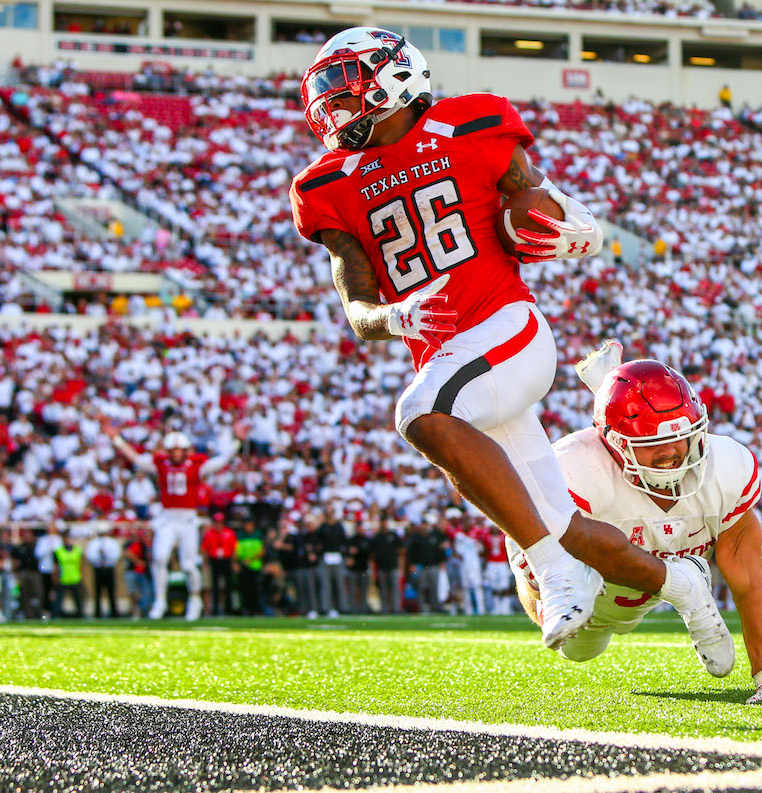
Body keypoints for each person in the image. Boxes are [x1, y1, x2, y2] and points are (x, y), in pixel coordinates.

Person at [289, 28, 725, 652]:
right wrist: (393, 316)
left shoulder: (472, 125)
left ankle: (550, 572)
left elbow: (537, 198)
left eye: (347, 92)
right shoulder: (325, 185)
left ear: (396, 80)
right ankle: (682, 586)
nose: (334, 111)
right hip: (448, 355)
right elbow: (357, 308)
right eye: (328, 98)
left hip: (506, 329)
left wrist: (584, 226)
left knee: (421, 413)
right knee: (557, 526)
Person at [511, 352, 762, 703]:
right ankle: (680, 583)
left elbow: (749, 575)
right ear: (616, 444)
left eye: (682, 436)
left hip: (646, 579)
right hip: (596, 584)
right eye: (651, 444)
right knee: (573, 641)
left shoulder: (725, 467)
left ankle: (681, 584)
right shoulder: (575, 467)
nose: (672, 452)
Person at [104, 421, 246, 620]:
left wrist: (237, 441)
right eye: (173, 450)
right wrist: (116, 439)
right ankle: (160, 601)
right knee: (160, 557)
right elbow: (135, 458)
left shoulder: (196, 466)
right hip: (167, 518)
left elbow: (221, 461)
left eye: (180, 450)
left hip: (187, 518)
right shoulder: (161, 464)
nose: (176, 454)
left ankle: (195, 600)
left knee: (188, 565)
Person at [314, 507, 350, 617]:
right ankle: (326, 607)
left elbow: (345, 541)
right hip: (326, 556)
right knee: (326, 584)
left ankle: (342, 607)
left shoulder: (339, 527)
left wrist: (347, 555)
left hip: (338, 556)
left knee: (339, 583)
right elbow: (318, 542)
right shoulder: (322, 527)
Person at [201, 513, 237, 616]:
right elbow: (204, 550)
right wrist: (206, 563)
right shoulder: (209, 534)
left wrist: (234, 562)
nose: (218, 525)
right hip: (215, 560)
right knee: (215, 586)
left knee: (228, 585)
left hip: (226, 560)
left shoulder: (229, 533)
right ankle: (215, 609)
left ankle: (228, 609)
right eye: (216, 522)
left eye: (220, 522)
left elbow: (233, 549)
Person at [86, 524, 123, 618]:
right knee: (97, 592)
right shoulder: (93, 543)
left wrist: (107, 555)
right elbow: (90, 556)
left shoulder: (112, 542)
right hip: (98, 568)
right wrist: (98, 557)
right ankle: (97, 613)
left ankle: (114, 613)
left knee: (111, 592)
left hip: (109, 568)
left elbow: (116, 555)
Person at [53, 527, 85, 619]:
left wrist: (81, 575)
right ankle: (56, 615)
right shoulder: (58, 551)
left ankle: (80, 615)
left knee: (78, 599)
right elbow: (55, 566)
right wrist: (55, 577)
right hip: (63, 578)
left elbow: (81, 564)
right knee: (59, 600)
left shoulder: (77, 550)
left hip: (75, 577)